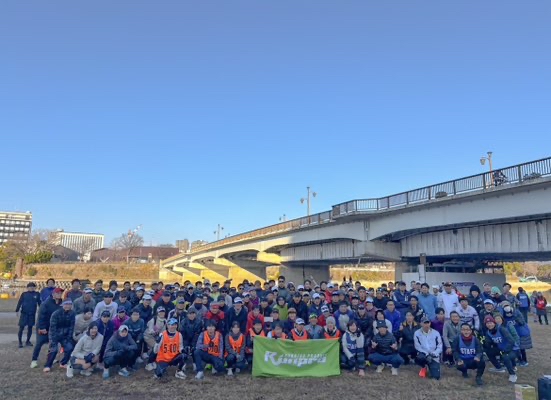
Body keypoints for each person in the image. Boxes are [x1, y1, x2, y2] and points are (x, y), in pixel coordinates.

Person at [31, 287, 62, 368]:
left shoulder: (61, 303)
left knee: (52, 344)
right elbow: (41, 316)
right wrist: (42, 327)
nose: (59, 294)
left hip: (53, 327)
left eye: (60, 293)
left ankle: (50, 358)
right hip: (44, 326)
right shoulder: (46, 303)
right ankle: (34, 360)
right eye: (57, 293)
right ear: (53, 294)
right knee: (39, 343)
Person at [483, 316, 518, 383]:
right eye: (487, 323)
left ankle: (512, 374)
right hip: (501, 349)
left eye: (491, 323)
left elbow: (511, 341)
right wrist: (483, 345)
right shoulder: (488, 332)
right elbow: (488, 344)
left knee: (505, 357)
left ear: (494, 323)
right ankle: (499, 368)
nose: (489, 325)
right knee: (489, 352)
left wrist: (506, 350)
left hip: (513, 349)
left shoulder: (501, 329)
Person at [43, 299, 75, 372]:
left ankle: (63, 363)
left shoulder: (72, 314)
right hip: (54, 334)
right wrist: (54, 338)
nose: (68, 306)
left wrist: (69, 337)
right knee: (54, 350)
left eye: (70, 304)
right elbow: (53, 327)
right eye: (66, 304)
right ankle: (48, 365)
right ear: (62, 305)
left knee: (69, 348)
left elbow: (71, 326)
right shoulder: (56, 313)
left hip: (65, 335)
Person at [15, 282, 41, 348]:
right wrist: (17, 310)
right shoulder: (24, 294)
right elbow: (20, 302)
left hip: (32, 314)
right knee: (21, 328)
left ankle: (28, 341)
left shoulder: (37, 294)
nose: (31, 288)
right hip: (24, 313)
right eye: (30, 287)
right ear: (27, 288)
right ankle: (20, 342)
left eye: (33, 287)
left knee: (30, 328)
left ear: (35, 288)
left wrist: (42, 311)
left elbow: (40, 303)